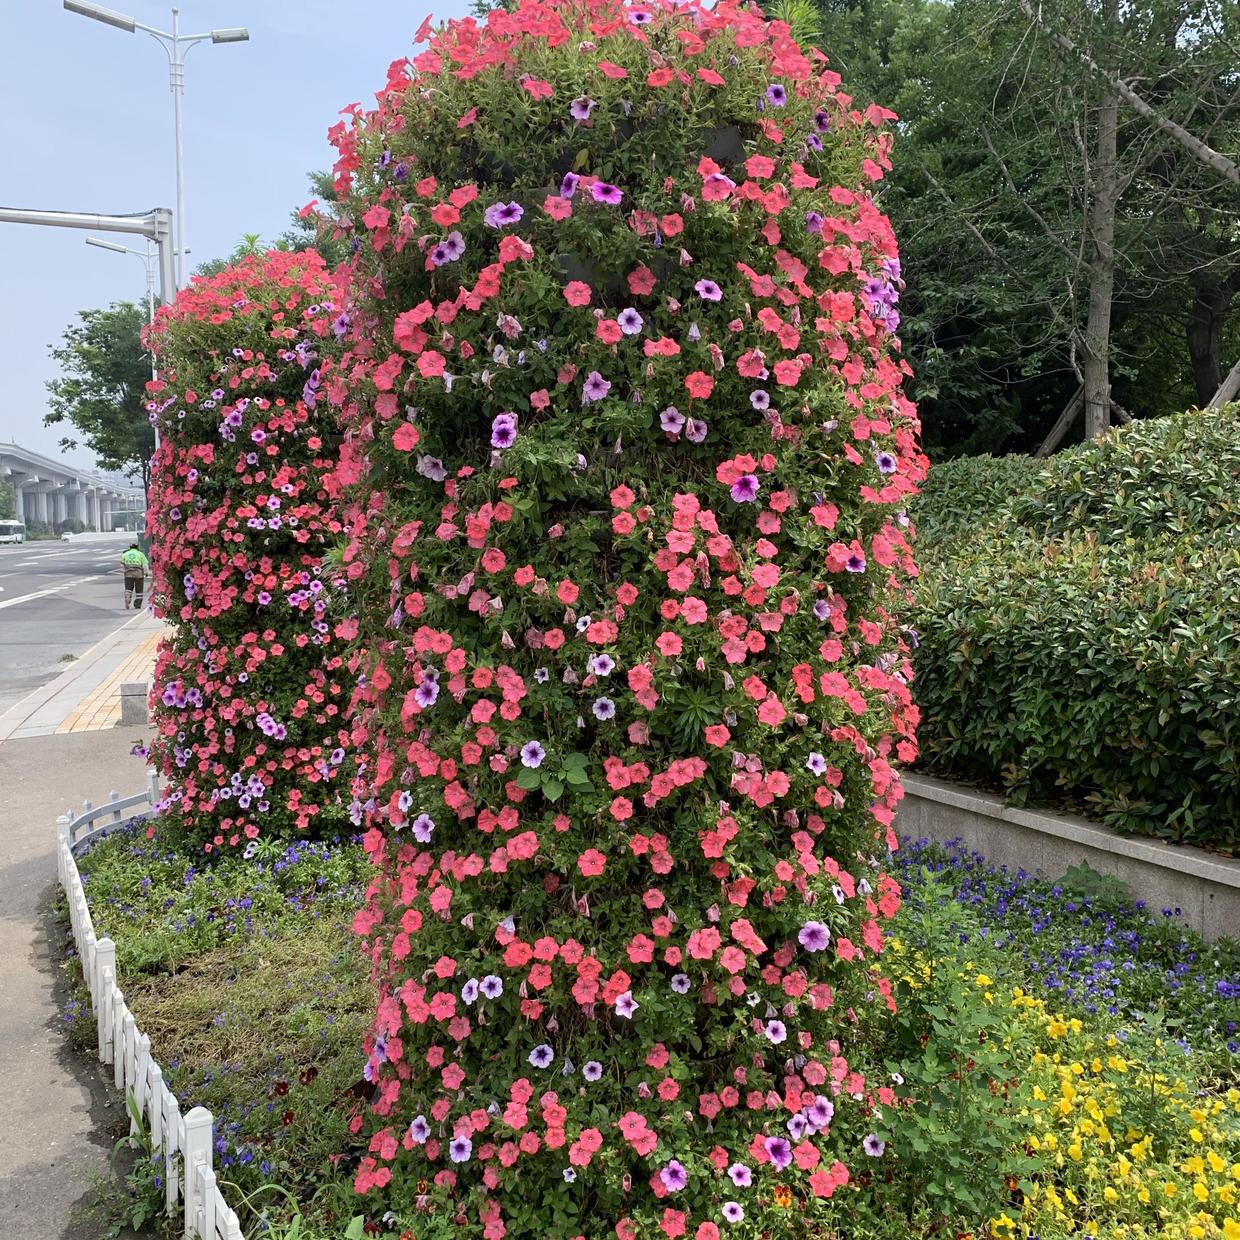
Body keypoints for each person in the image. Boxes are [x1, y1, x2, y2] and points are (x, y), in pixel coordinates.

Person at [120, 542, 149, 610]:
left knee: (128, 588)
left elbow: (122, 564)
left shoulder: (125, 554)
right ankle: (137, 604)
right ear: (137, 547)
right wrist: (146, 572)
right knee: (139, 590)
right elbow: (145, 565)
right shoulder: (140, 554)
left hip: (128, 574)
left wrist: (124, 571)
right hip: (139, 574)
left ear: (130, 547)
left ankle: (128, 596)